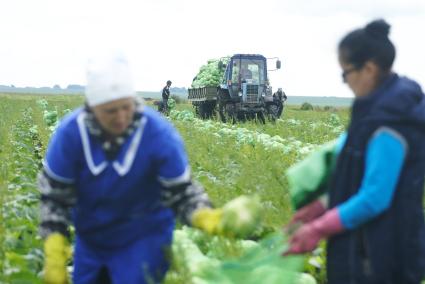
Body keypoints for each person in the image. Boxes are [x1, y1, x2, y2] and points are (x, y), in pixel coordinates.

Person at [38, 53, 251, 284]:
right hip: (93, 242)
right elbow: (54, 198)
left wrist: (204, 215)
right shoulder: (70, 135)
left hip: (146, 240)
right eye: (110, 111)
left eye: (126, 107)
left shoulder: (158, 134)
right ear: (93, 107)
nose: (120, 117)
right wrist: (54, 249)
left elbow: (181, 192)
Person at [285, 19, 425, 283]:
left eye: (345, 73)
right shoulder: (375, 113)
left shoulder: (390, 124)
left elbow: (375, 197)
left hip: (382, 258)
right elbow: (356, 180)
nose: (345, 82)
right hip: (367, 251)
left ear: (369, 69)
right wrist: (319, 207)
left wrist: (317, 229)